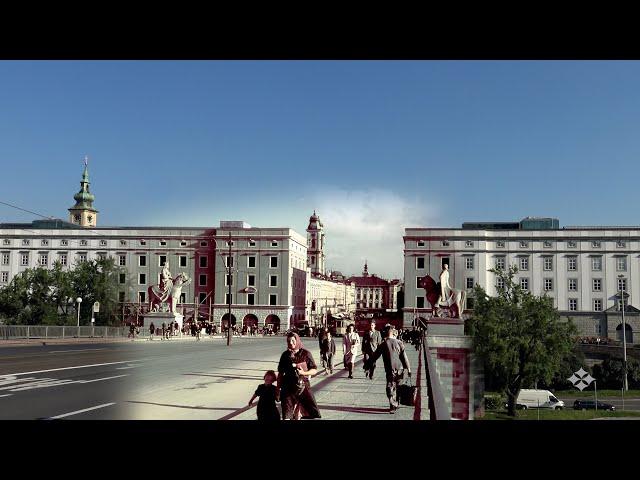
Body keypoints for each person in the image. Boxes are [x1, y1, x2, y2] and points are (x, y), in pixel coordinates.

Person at [365, 325, 411, 414]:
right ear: (392, 333)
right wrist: (408, 369)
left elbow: (375, 356)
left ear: (386, 333)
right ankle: (396, 403)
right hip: (400, 369)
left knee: (390, 387)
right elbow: (404, 357)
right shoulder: (399, 342)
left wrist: (367, 365)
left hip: (390, 369)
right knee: (398, 387)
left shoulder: (383, 344)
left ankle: (392, 405)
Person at [277, 332, 321, 420]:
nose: (291, 343)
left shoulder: (305, 353)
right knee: (287, 414)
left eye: (293, 341)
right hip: (287, 387)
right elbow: (280, 373)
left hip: (302, 387)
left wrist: (304, 373)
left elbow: (314, 370)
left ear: (297, 340)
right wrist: (278, 389)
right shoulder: (285, 355)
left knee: (305, 413)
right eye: (289, 341)